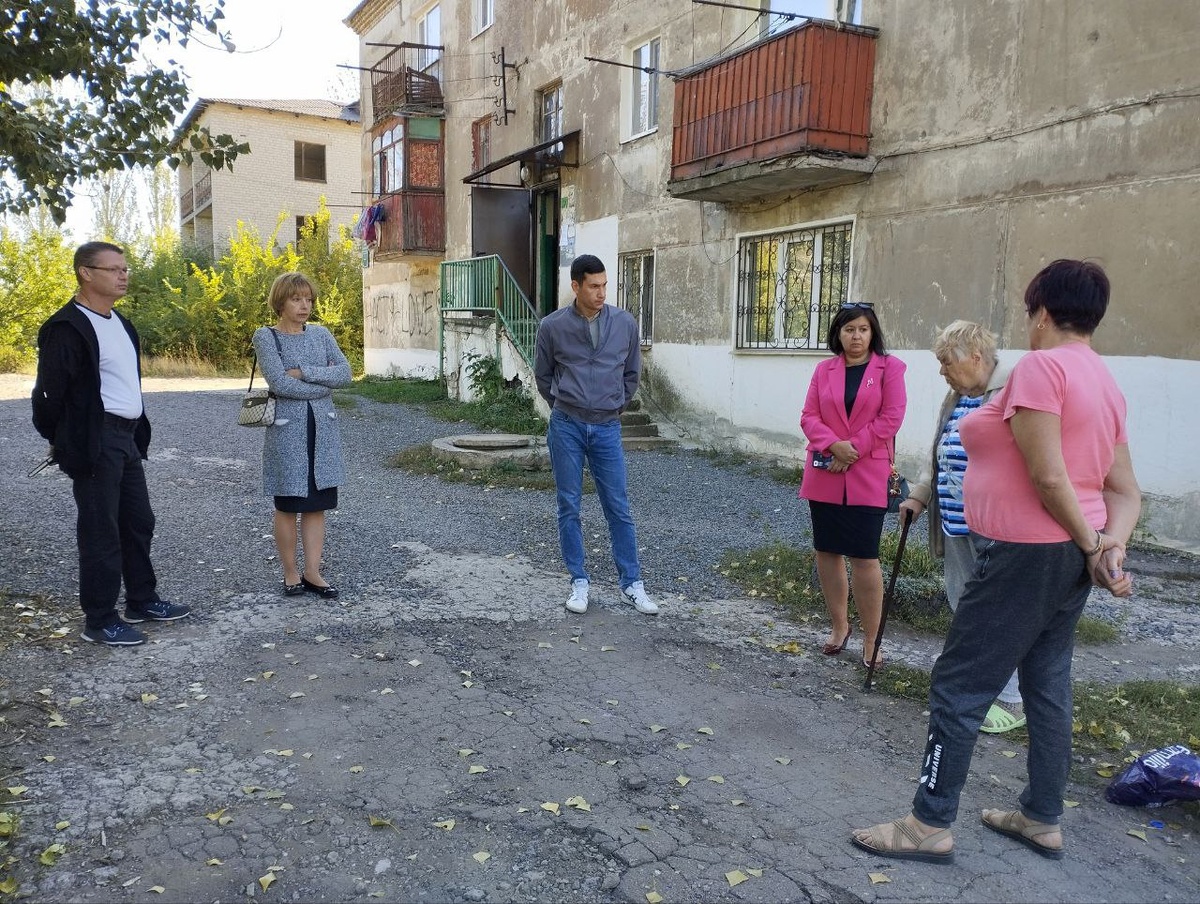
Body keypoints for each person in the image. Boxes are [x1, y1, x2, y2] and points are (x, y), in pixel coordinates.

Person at [851, 259, 1141, 864]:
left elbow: (1047, 476)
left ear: (1042, 312)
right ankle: (1041, 816)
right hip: (1065, 556)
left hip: (1024, 553)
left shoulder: (1041, 368)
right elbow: (1124, 490)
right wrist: (1108, 544)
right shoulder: (1104, 379)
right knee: (1046, 681)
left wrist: (1097, 546)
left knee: (958, 684)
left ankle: (928, 823)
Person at [32, 241, 192, 647]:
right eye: (114, 269)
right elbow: (48, 396)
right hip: (95, 439)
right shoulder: (66, 328)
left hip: (126, 436)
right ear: (86, 273)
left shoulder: (120, 322)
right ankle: (100, 620)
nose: (123, 275)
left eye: (125, 269)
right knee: (100, 529)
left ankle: (141, 601)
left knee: (138, 521)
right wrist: (63, 441)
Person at [899, 321, 1025, 734]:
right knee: (965, 606)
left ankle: (1011, 699)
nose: (941, 371)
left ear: (975, 356)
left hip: (999, 526)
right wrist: (920, 495)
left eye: (945, 362)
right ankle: (974, 687)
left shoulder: (1011, 391)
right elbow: (938, 452)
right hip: (955, 522)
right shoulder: (956, 397)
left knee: (1001, 611)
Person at [534, 254, 658, 616]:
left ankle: (632, 584)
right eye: (594, 286)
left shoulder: (624, 323)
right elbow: (543, 375)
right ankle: (579, 581)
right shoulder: (552, 327)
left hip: (607, 427)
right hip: (567, 426)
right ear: (576, 286)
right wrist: (563, 403)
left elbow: (631, 373)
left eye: (605, 285)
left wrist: (615, 405)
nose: (602, 293)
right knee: (569, 504)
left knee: (618, 506)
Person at [798, 302, 906, 668]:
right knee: (827, 551)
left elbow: (891, 418)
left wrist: (852, 449)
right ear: (838, 334)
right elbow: (808, 416)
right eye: (849, 329)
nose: (856, 336)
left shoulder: (890, 368)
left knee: (864, 556)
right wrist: (834, 445)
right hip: (826, 470)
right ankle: (839, 626)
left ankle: (872, 639)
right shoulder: (824, 370)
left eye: (862, 329)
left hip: (867, 471)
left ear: (872, 333)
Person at [253, 272, 351, 599]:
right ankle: (290, 573)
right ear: (280, 302)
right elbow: (279, 383)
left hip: (323, 429)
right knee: (288, 504)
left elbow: (345, 374)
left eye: (308, 299)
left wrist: (304, 372)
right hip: (288, 433)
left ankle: (313, 572)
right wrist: (321, 387)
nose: (304, 305)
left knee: (316, 505)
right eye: (296, 299)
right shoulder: (266, 337)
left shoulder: (321, 334)